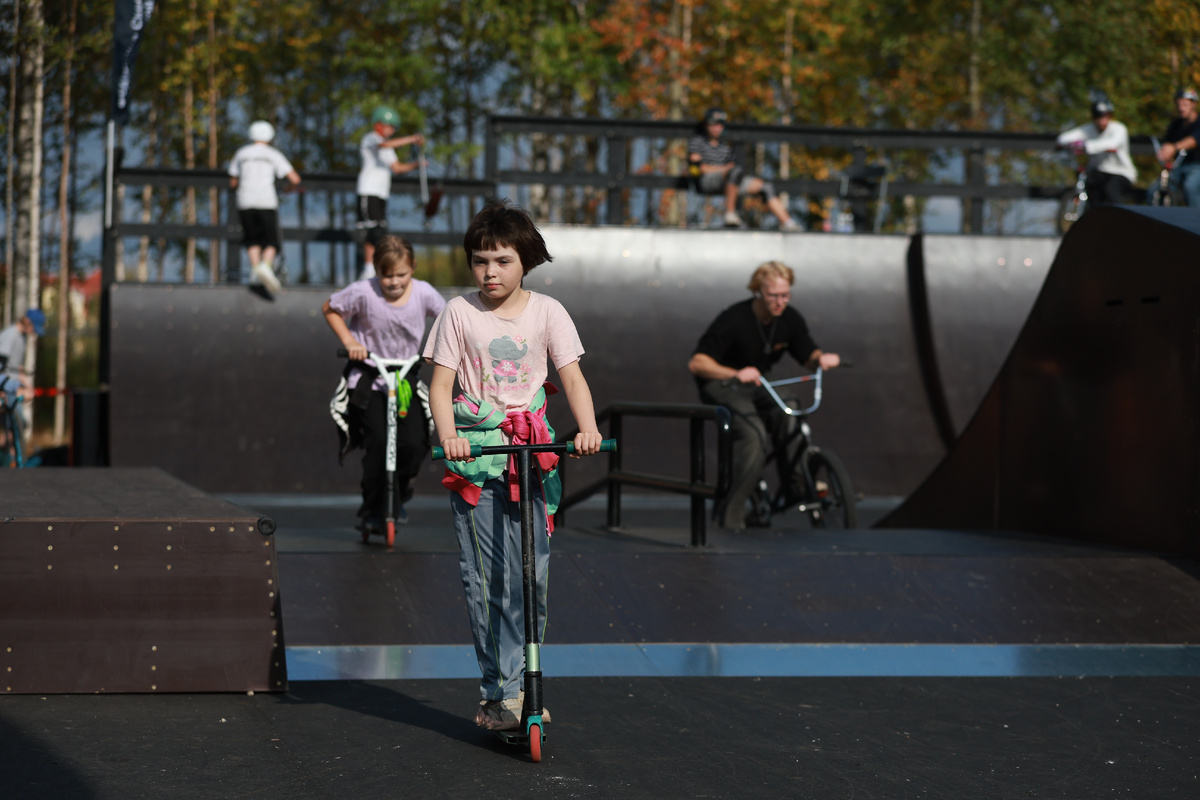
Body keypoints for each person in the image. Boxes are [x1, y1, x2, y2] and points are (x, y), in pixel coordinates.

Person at [423, 199, 603, 731]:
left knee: (531, 577)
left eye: (502, 261)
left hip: (530, 459)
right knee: (487, 580)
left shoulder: (548, 312)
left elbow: (572, 378)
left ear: (525, 260)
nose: (490, 272)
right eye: (480, 261)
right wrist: (450, 437)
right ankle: (497, 694)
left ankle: (527, 688)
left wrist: (587, 428)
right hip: (479, 459)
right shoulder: (459, 313)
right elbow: (440, 386)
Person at [688, 261, 840, 530]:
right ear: (758, 291)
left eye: (785, 295)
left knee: (790, 407)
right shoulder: (734, 318)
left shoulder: (789, 318)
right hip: (722, 384)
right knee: (752, 433)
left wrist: (821, 358)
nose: (780, 302)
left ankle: (796, 485)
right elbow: (697, 363)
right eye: (773, 296)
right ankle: (731, 515)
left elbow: (807, 354)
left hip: (758, 382)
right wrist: (734, 373)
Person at [324, 235, 446, 536]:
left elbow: (448, 319)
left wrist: (439, 348)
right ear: (376, 270)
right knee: (379, 443)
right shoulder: (364, 291)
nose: (394, 282)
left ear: (413, 267)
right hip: (370, 379)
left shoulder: (423, 292)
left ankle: (397, 497)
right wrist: (350, 342)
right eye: (386, 275)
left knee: (414, 444)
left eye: (401, 274)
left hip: (404, 379)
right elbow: (330, 308)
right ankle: (372, 510)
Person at [687, 107, 801, 230]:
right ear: (706, 125)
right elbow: (697, 169)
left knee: (765, 187)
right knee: (733, 172)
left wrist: (728, 170)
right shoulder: (697, 142)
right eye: (713, 124)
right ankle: (730, 215)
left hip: (729, 181)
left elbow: (732, 168)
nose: (716, 128)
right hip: (706, 181)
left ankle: (788, 223)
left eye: (720, 124)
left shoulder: (724, 146)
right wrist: (724, 169)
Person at [227, 120, 301, 294]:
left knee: (251, 238)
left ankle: (255, 271)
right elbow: (295, 179)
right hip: (266, 200)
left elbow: (233, 182)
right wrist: (288, 189)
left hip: (245, 200)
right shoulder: (273, 154)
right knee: (272, 240)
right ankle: (266, 266)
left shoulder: (241, 153)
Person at [356, 106, 425, 278]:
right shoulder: (371, 138)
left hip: (381, 193)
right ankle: (371, 269)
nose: (392, 131)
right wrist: (412, 139)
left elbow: (397, 167)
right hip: (369, 190)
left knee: (377, 228)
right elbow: (384, 144)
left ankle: (370, 269)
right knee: (375, 231)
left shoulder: (388, 149)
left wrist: (416, 165)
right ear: (379, 124)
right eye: (390, 126)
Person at [1055, 100, 1136, 207]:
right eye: (1098, 116)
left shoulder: (1119, 129)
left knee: (1110, 189)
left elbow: (1112, 143)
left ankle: (1117, 216)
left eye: (1105, 116)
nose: (1102, 120)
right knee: (1087, 184)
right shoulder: (1088, 129)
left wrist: (1086, 145)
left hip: (1121, 172)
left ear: (1110, 116)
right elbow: (1063, 139)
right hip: (1099, 172)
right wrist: (1073, 144)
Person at [1154, 88, 1200, 206]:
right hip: (1179, 167)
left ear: (1194, 104)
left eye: (1185, 105)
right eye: (1179, 105)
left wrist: (1174, 148)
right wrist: (1166, 155)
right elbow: (1167, 143)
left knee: (1190, 187)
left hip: (1197, 165)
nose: (1181, 108)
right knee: (1156, 189)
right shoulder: (1176, 125)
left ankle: (1195, 215)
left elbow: (1194, 140)